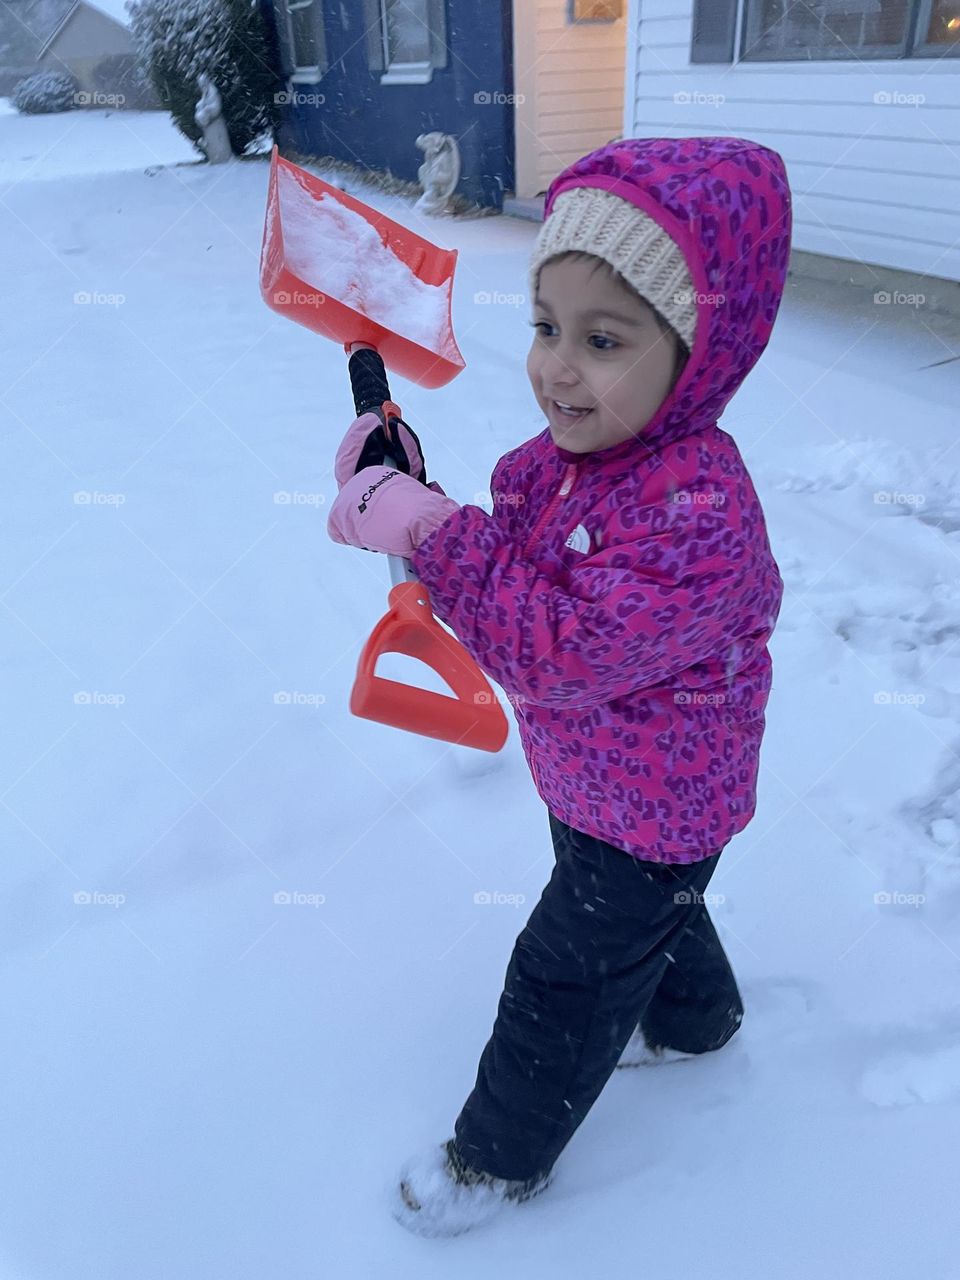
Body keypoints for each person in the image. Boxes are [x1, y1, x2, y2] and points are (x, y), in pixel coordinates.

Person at [327, 135, 793, 1238]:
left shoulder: (700, 517)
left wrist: (431, 532)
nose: (555, 367)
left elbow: (553, 647)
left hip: (658, 806)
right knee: (644, 917)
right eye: (545, 328)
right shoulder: (572, 462)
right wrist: (409, 481)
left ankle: (496, 1158)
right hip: (602, 788)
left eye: (603, 340)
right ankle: (697, 1018)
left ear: (701, 353)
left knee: (564, 974)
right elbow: (513, 567)